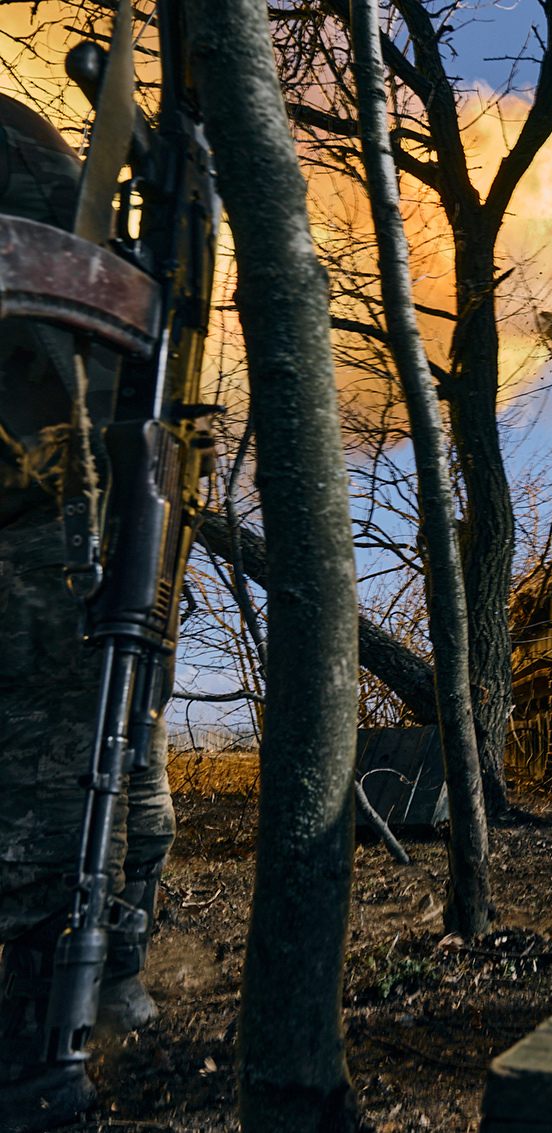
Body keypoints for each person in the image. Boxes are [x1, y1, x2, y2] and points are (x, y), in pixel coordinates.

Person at [0, 94, 175, 1131]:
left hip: (75, 524)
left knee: (119, 797)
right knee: (71, 809)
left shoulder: (29, 151)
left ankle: (92, 999)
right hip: (54, 527)